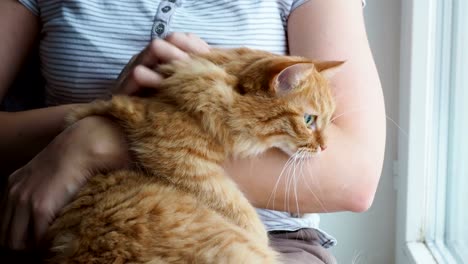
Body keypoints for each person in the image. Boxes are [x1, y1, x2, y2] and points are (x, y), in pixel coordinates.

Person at [0, 0, 385, 263]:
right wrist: (102, 122)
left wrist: (107, 140)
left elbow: (356, 179)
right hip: (83, 221)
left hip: (266, 236)